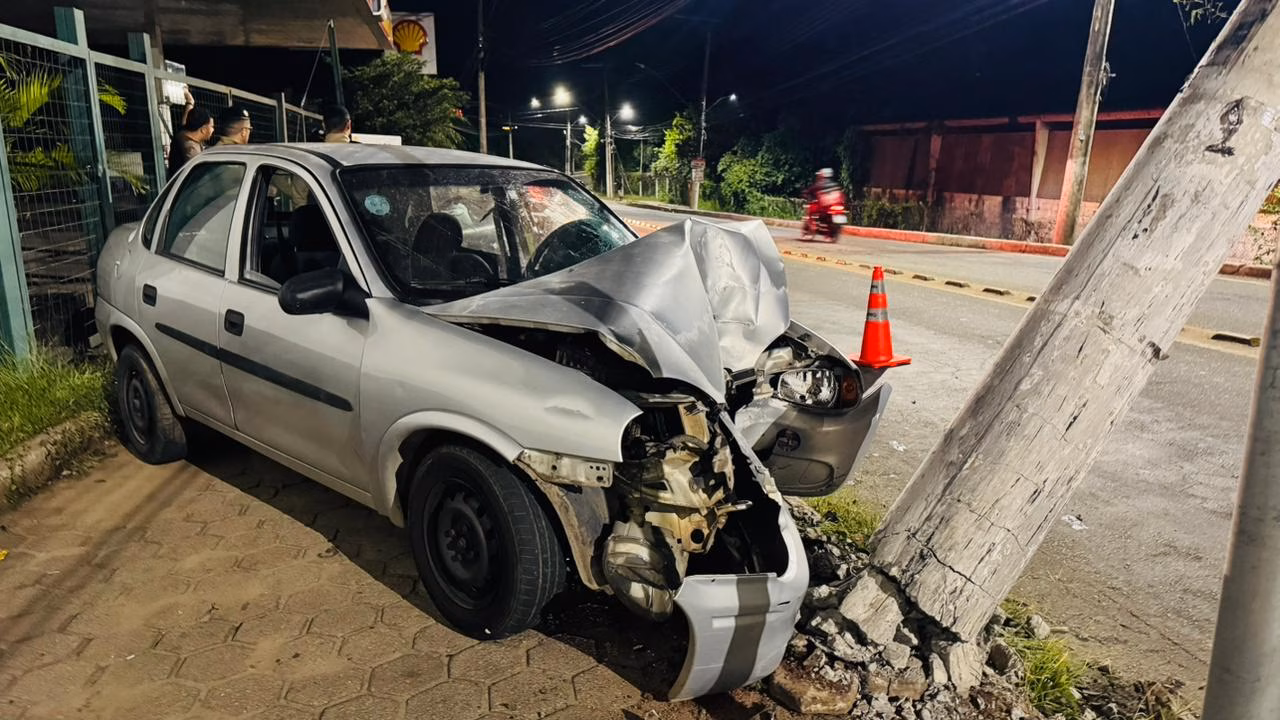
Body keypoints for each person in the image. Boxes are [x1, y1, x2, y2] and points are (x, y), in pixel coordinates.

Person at [167, 105, 213, 178]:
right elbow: (200, 176)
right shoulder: (190, 149)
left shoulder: (183, 134)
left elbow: (184, 122)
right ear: (203, 130)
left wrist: (190, 102)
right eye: (211, 126)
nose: (213, 130)